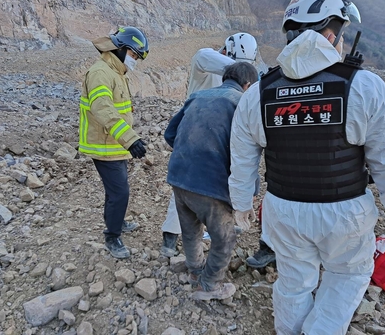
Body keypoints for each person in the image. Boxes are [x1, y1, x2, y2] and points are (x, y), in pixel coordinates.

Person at [228, 0, 385, 334]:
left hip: (283, 210)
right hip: (344, 213)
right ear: (332, 34)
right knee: (348, 275)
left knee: (293, 280)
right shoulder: (363, 86)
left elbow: (242, 154)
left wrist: (241, 203)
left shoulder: (260, 91)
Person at [160, 32, 263, 257]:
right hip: (195, 135)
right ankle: (170, 237)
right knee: (186, 191)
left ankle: (206, 236)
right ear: (226, 52)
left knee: (206, 190)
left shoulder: (235, 85)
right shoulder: (204, 59)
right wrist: (243, 71)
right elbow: (207, 57)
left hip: (215, 139)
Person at [165, 62, 259, 300]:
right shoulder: (242, 102)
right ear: (247, 85)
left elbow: (170, 134)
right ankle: (209, 286)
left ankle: (195, 271)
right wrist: (249, 193)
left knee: (190, 230)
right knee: (224, 238)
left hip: (179, 176)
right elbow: (247, 153)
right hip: (211, 183)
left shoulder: (198, 96)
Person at [79, 26, 149, 259]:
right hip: (105, 146)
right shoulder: (100, 72)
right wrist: (130, 139)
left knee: (115, 190)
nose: (135, 60)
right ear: (120, 49)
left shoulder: (115, 72)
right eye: (134, 54)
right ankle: (112, 235)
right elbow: (103, 108)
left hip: (114, 145)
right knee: (120, 193)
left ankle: (115, 220)